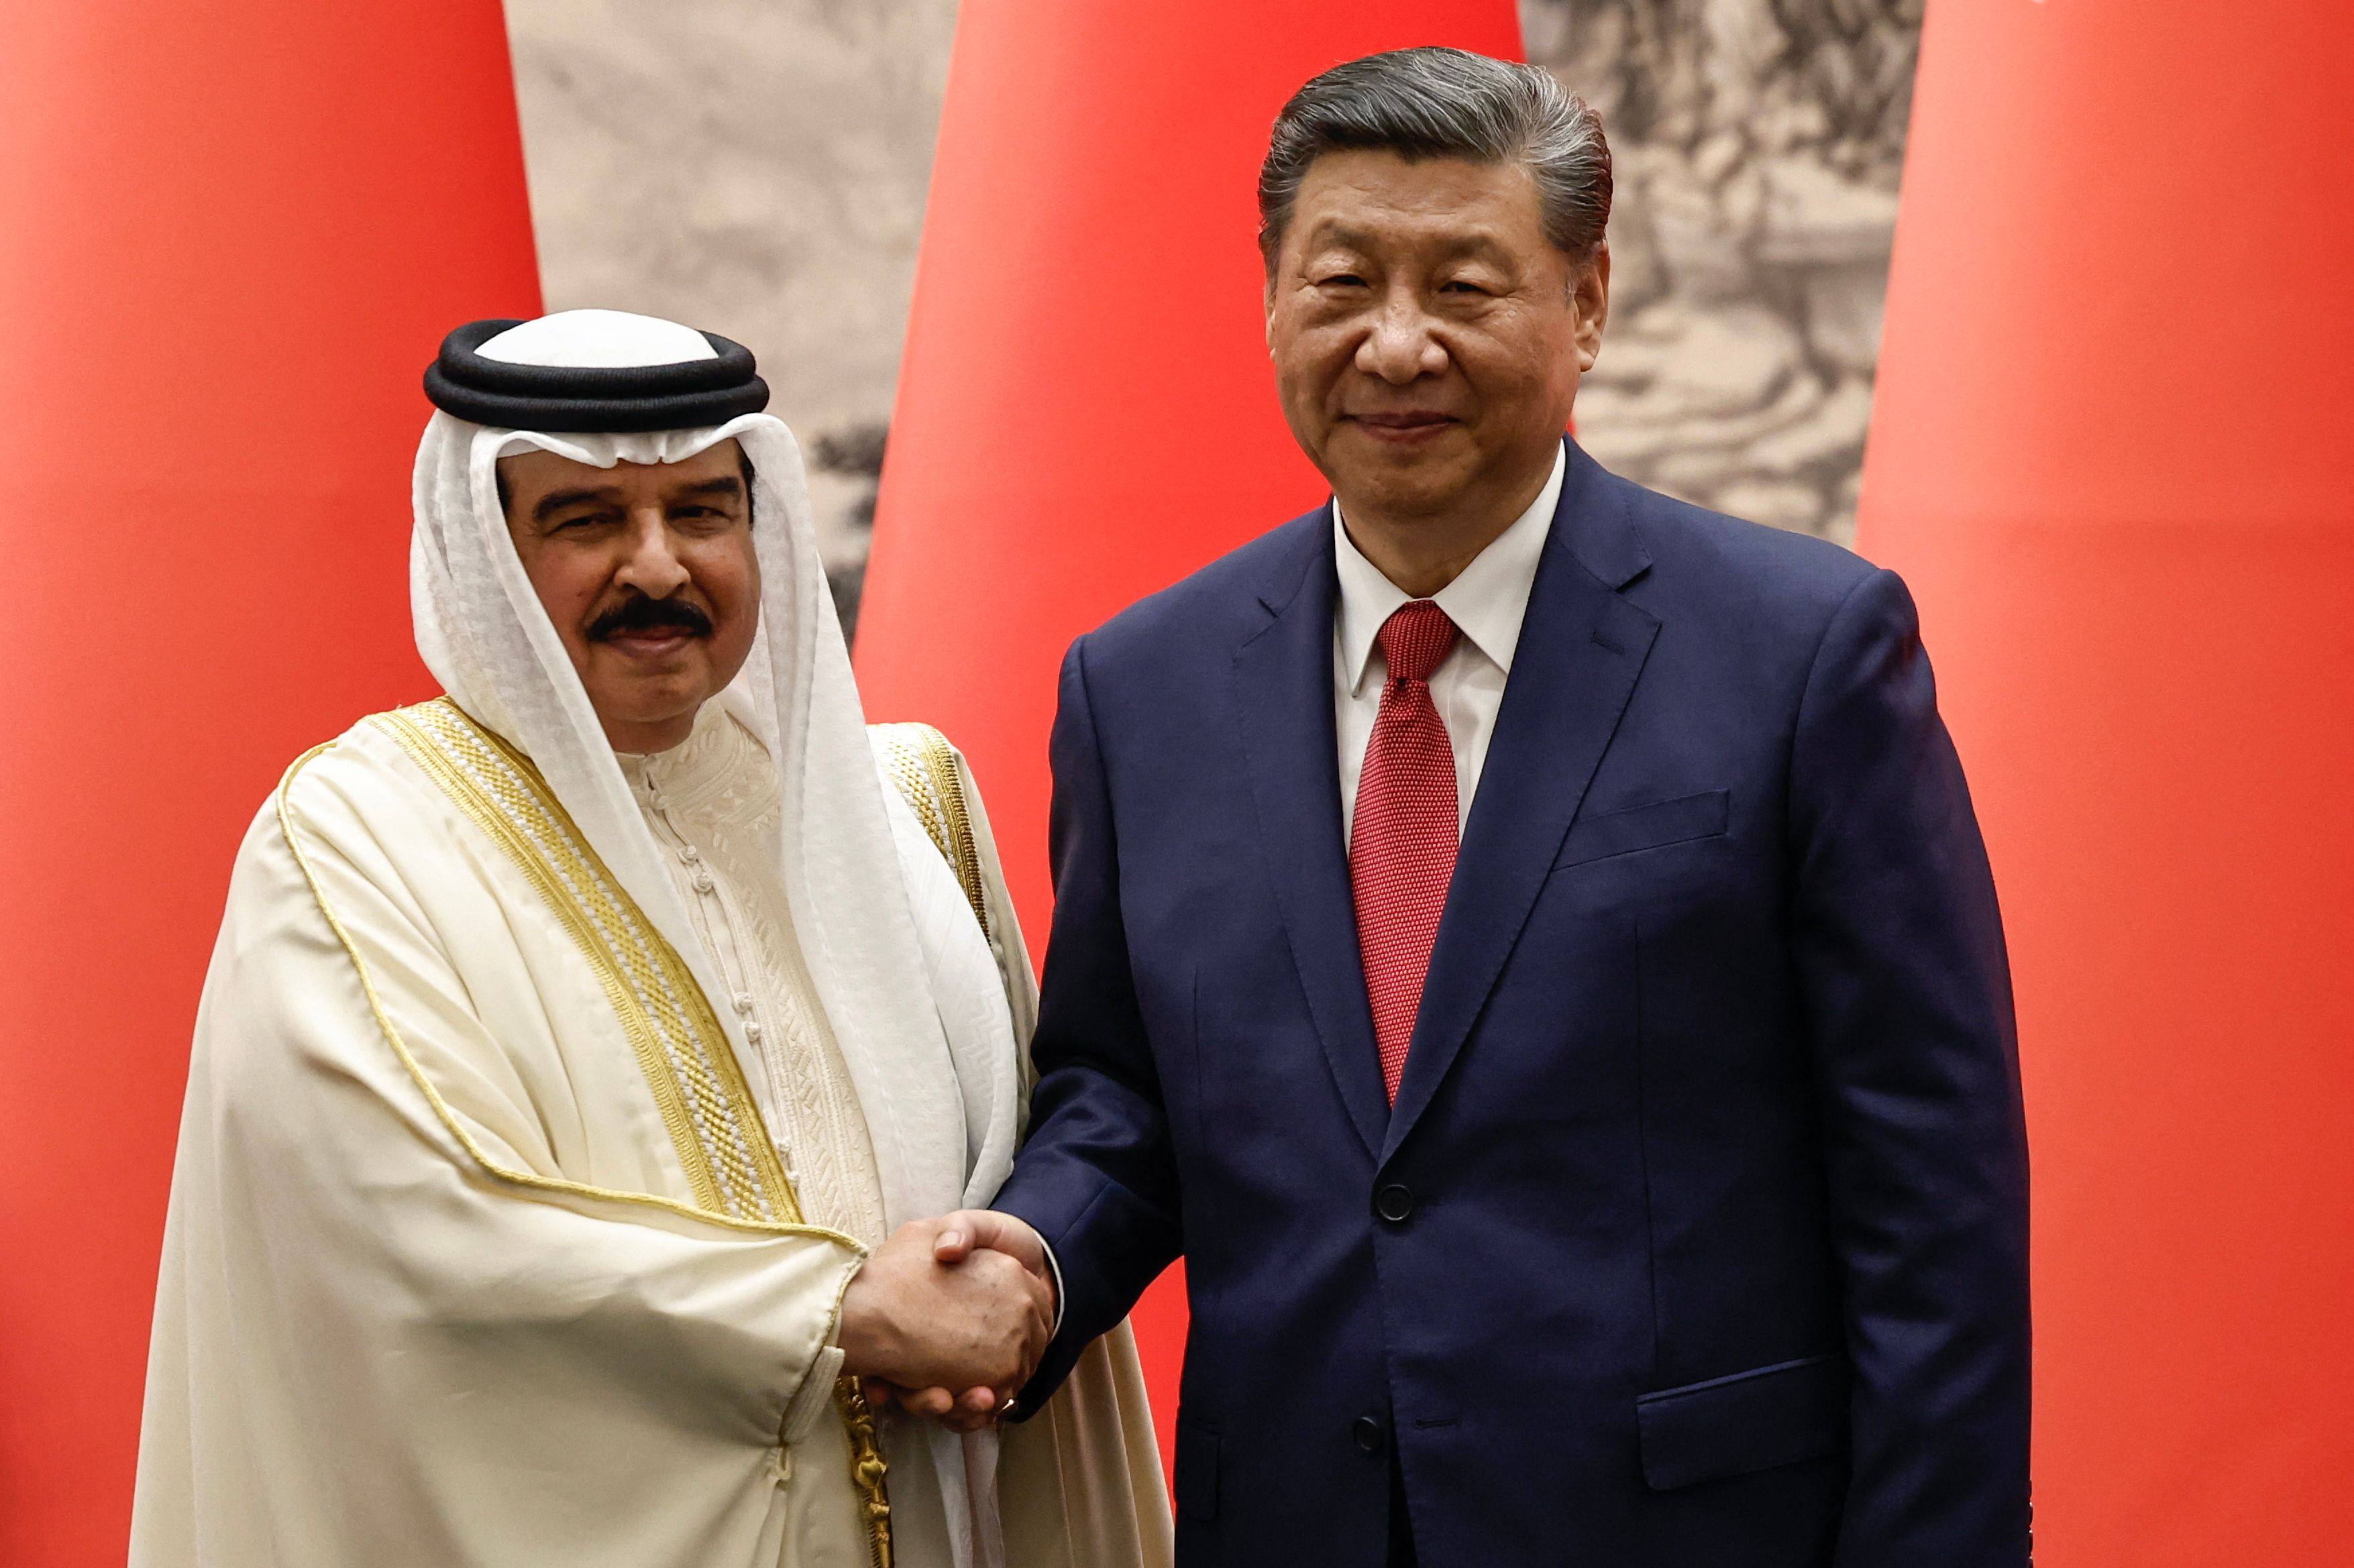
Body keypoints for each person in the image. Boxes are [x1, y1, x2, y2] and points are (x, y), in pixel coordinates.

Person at [975, 47, 2031, 1567]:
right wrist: (1032, 1262)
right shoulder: (1142, 687)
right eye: (1342, 284)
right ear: (1272, 300)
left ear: (1586, 303)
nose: (1397, 347)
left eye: (1465, 287)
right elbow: (1123, 1097)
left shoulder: (1805, 656)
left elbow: (1932, 1200)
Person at [129, 309, 1169, 1568]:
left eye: (702, 512)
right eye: (586, 523)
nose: (661, 570)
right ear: (487, 555)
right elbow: (418, 1237)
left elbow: (1057, 1132)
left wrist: (1020, 1282)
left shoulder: (900, 807)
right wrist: (831, 1320)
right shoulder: (360, 833)